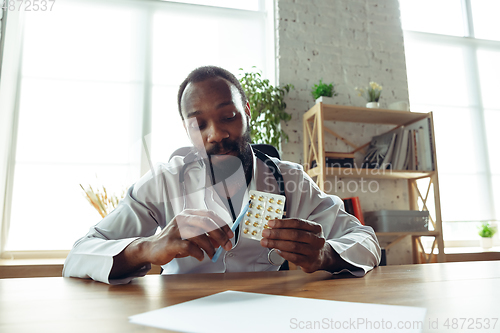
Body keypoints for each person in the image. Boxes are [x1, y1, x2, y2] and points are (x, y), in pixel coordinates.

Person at [63, 66, 381, 284]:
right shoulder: (164, 181)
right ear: (186, 130)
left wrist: (326, 254)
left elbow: (367, 241)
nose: (216, 134)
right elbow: (78, 255)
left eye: (227, 116)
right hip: (181, 313)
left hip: (269, 311)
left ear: (246, 111)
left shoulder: (290, 180)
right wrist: (147, 247)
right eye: (198, 124)